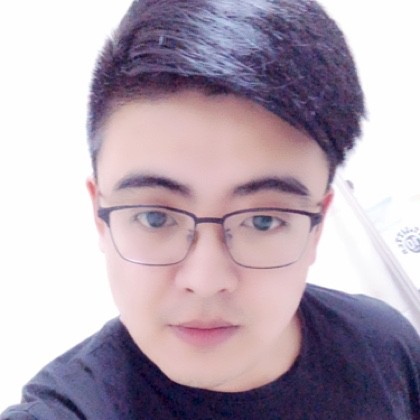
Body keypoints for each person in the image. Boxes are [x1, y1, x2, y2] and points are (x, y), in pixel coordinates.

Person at [2, 0, 419, 418]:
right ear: (100, 217)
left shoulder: (386, 346)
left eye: (263, 221)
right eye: (155, 217)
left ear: (318, 226)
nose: (205, 281)